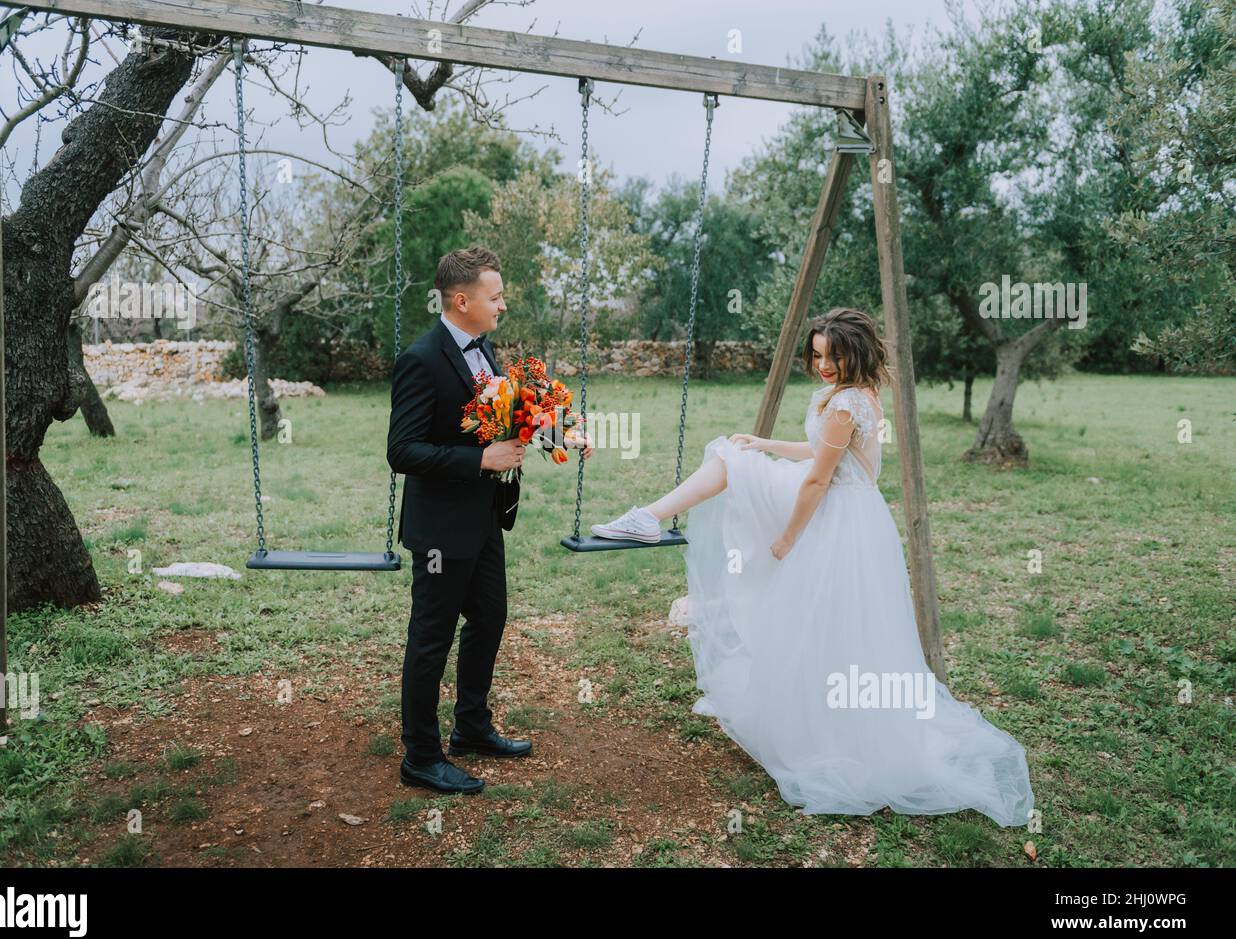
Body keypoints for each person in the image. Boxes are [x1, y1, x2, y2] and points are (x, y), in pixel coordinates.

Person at [590, 307, 1036, 827]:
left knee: (728, 466)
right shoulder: (858, 395)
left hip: (830, 511)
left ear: (857, 352)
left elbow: (818, 480)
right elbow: (821, 451)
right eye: (819, 354)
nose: (824, 364)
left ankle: (650, 517)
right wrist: (765, 443)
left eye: (834, 355)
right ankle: (654, 520)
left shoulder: (846, 402)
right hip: (855, 515)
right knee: (827, 616)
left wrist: (787, 537)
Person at [386, 246, 591, 795]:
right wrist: (481, 459)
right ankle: (421, 757)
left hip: (484, 520)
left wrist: (558, 434)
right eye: (494, 296)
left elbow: (510, 416)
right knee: (431, 640)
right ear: (462, 300)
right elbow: (402, 451)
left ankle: (471, 728)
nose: (502, 305)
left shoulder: (485, 350)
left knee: (490, 619)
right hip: (439, 531)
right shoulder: (422, 359)